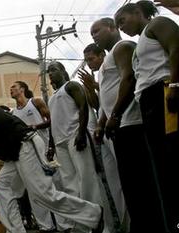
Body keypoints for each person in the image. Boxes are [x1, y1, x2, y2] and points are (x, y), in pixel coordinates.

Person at [0, 95, 105, 233]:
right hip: (14, 155)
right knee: (2, 186)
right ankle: (16, 230)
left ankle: (94, 214)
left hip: (25, 146)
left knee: (43, 195)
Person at [115, 0, 179, 227]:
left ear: (137, 12)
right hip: (149, 103)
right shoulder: (138, 47)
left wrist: (175, 86)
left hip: (165, 92)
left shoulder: (157, 24)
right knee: (165, 167)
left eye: (123, 20)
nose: (121, 27)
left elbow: (175, 49)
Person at [90, 17, 157, 232]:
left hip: (130, 123)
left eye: (97, 31)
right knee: (127, 183)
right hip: (116, 126)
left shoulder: (123, 47)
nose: (94, 36)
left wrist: (115, 115)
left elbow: (129, 79)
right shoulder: (106, 62)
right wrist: (101, 122)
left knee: (140, 182)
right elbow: (106, 97)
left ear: (112, 28)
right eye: (91, 34)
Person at [46, 61, 114, 231]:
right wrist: (51, 145)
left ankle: (105, 226)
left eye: (53, 69)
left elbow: (83, 106)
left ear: (62, 71)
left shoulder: (71, 86)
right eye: (48, 72)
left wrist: (82, 133)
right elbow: (53, 122)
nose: (50, 74)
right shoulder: (52, 96)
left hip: (75, 136)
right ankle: (84, 225)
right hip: (60, 143)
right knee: (70, 185)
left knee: (88, 180)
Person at [9, 81, 66, 232]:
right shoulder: (13, 113)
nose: (11, 90)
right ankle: (46, 225)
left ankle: (64, 225)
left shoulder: (35, 102)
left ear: (22, 89)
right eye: (10, 88)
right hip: (28, 154)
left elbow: (51, 121)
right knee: (35, 189)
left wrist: (51, 145)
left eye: (14, 87)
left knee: (55, 185)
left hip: (45, 148)